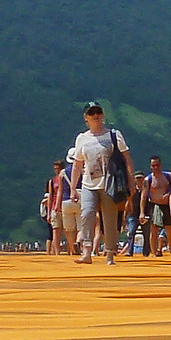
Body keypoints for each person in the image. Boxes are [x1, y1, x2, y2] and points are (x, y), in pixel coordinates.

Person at [68, 102, 129, 264]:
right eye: (91, 113)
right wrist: (73, 188)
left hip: (109, 183)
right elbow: (77, 164)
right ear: (85, 118)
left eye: (98, 112)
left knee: (109, 218)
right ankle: (86, 252)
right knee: (87, 214)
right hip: (89, 183)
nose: (95, 115)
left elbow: (127, 160)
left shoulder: (114, 135)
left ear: (103, 115)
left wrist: (130, 181)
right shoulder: (82, 138)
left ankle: (109, 254)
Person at [42, 159, 68, 255]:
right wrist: (49, 213)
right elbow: (50, 196)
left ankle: (71, 251)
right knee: (55, 231)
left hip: (65, 205)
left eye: (58, 168)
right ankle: (56, 253)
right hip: (54, 207)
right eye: (55, 169)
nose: (57, 170)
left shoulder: (67, 178)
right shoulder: (52, 181)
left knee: (68, 231)